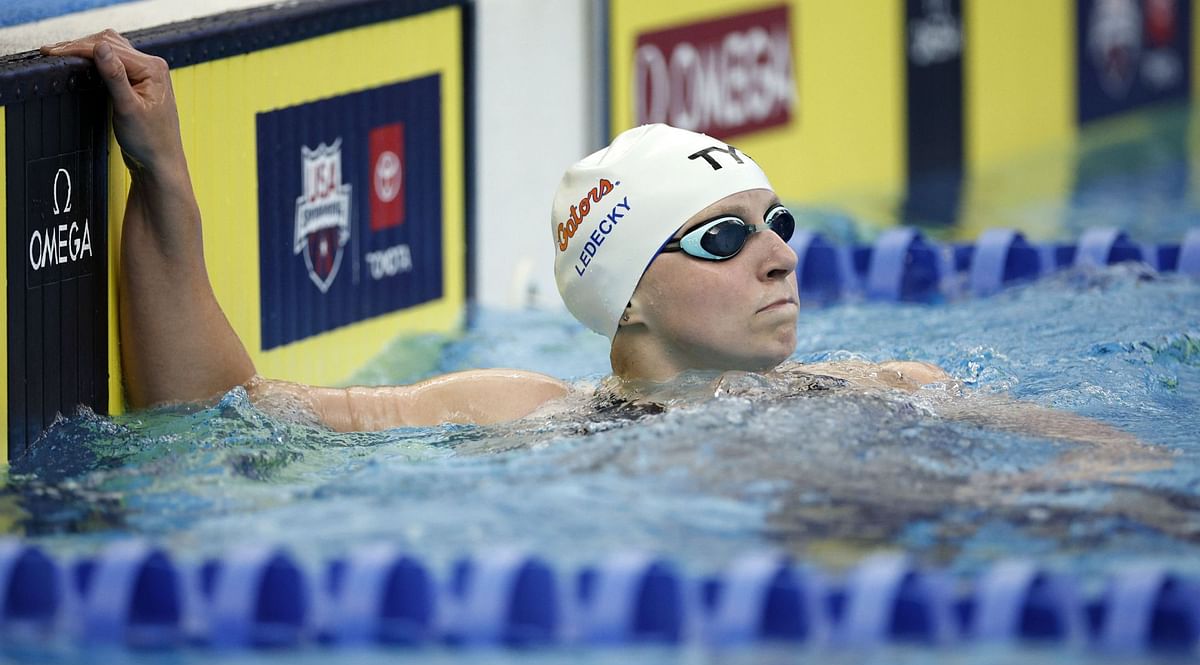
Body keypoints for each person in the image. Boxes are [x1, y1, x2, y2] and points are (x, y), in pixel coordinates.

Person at [36, 32, 1165, 478]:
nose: (778, 256)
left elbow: (1127, 464)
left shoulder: (899, 390)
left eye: (783, 224)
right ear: (627, 303)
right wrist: (164, 177)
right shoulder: (518, 407)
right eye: (726, 235)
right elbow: (214, 406)